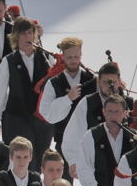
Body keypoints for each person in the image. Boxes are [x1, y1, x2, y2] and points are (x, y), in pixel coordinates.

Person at [0, 17, 54, 168]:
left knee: (40, 160)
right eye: (23, 33)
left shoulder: (45, 57)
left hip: (42, 120)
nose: (27, 37)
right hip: (17, 119)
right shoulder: (8, 61)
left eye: (30, 32)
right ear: (16, 36)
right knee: (23, 162)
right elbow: (0, 94)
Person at [61, 61, 129, 180]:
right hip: (94, 169)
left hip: (125, 170)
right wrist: (73, 160)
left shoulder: (130, 104)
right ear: (98, 82)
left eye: (112, 82)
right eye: (105, 82)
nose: (109, 86)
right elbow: (73, 133)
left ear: (119, 82)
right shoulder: (88, 103)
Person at [38, 37, 96, 171]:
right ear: (63, 56)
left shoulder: (92, 80)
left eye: (76, 56)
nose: (73, 60)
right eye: (69, 57)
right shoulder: (53, 83)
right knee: (63, 185)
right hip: (63, 141)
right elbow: (46, 113)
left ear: (81, 55)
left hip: (90, 142)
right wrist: (67, 99)